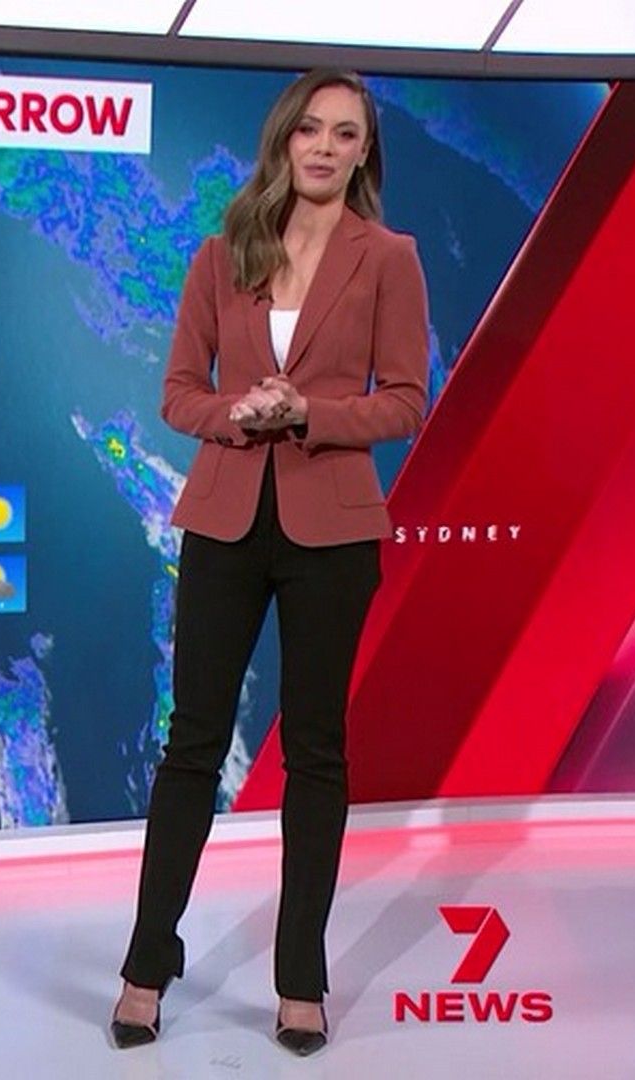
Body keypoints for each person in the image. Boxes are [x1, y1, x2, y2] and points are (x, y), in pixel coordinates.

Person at [108, 69, 429, 1056]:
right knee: (192, 746)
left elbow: (404, 400)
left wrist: (309, 412)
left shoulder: (389, 258)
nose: (325, 148)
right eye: (310, 130)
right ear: (284, 140)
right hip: (225, 521)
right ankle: (146, 965)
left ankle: (300, 979)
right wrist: (241, 415)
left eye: (346, 134)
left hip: (332, 531)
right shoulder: (224, 252)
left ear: (364, 153)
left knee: (315, 752)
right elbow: (178, 393)